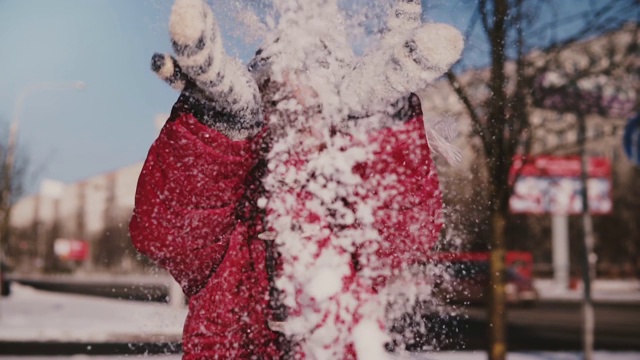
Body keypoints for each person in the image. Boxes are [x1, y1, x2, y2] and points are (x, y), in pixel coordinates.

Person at [129, 0, 463, 358]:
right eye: (278, 92)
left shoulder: (352, 195)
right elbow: (165, 232)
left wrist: (382, 120)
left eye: (317, 96)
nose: (297, 106)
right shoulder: (233, 196)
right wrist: (216, 128)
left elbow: (406, 233)